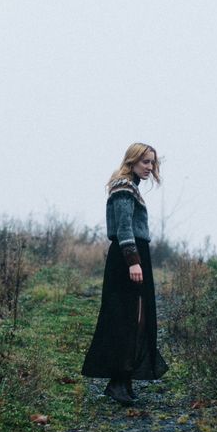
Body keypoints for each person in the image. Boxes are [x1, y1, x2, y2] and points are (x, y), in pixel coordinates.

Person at [82, 142, 168, 404]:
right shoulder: (123, 187)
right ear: (132, 161)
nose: (149, 167)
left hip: (135, 255)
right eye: (145, 162)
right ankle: (117, 382)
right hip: (126, 257)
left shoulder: (131, 188)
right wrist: (132, 260)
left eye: (152, 162)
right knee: (125, 319)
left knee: (137, 319)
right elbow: (123, 228)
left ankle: (123, 381)